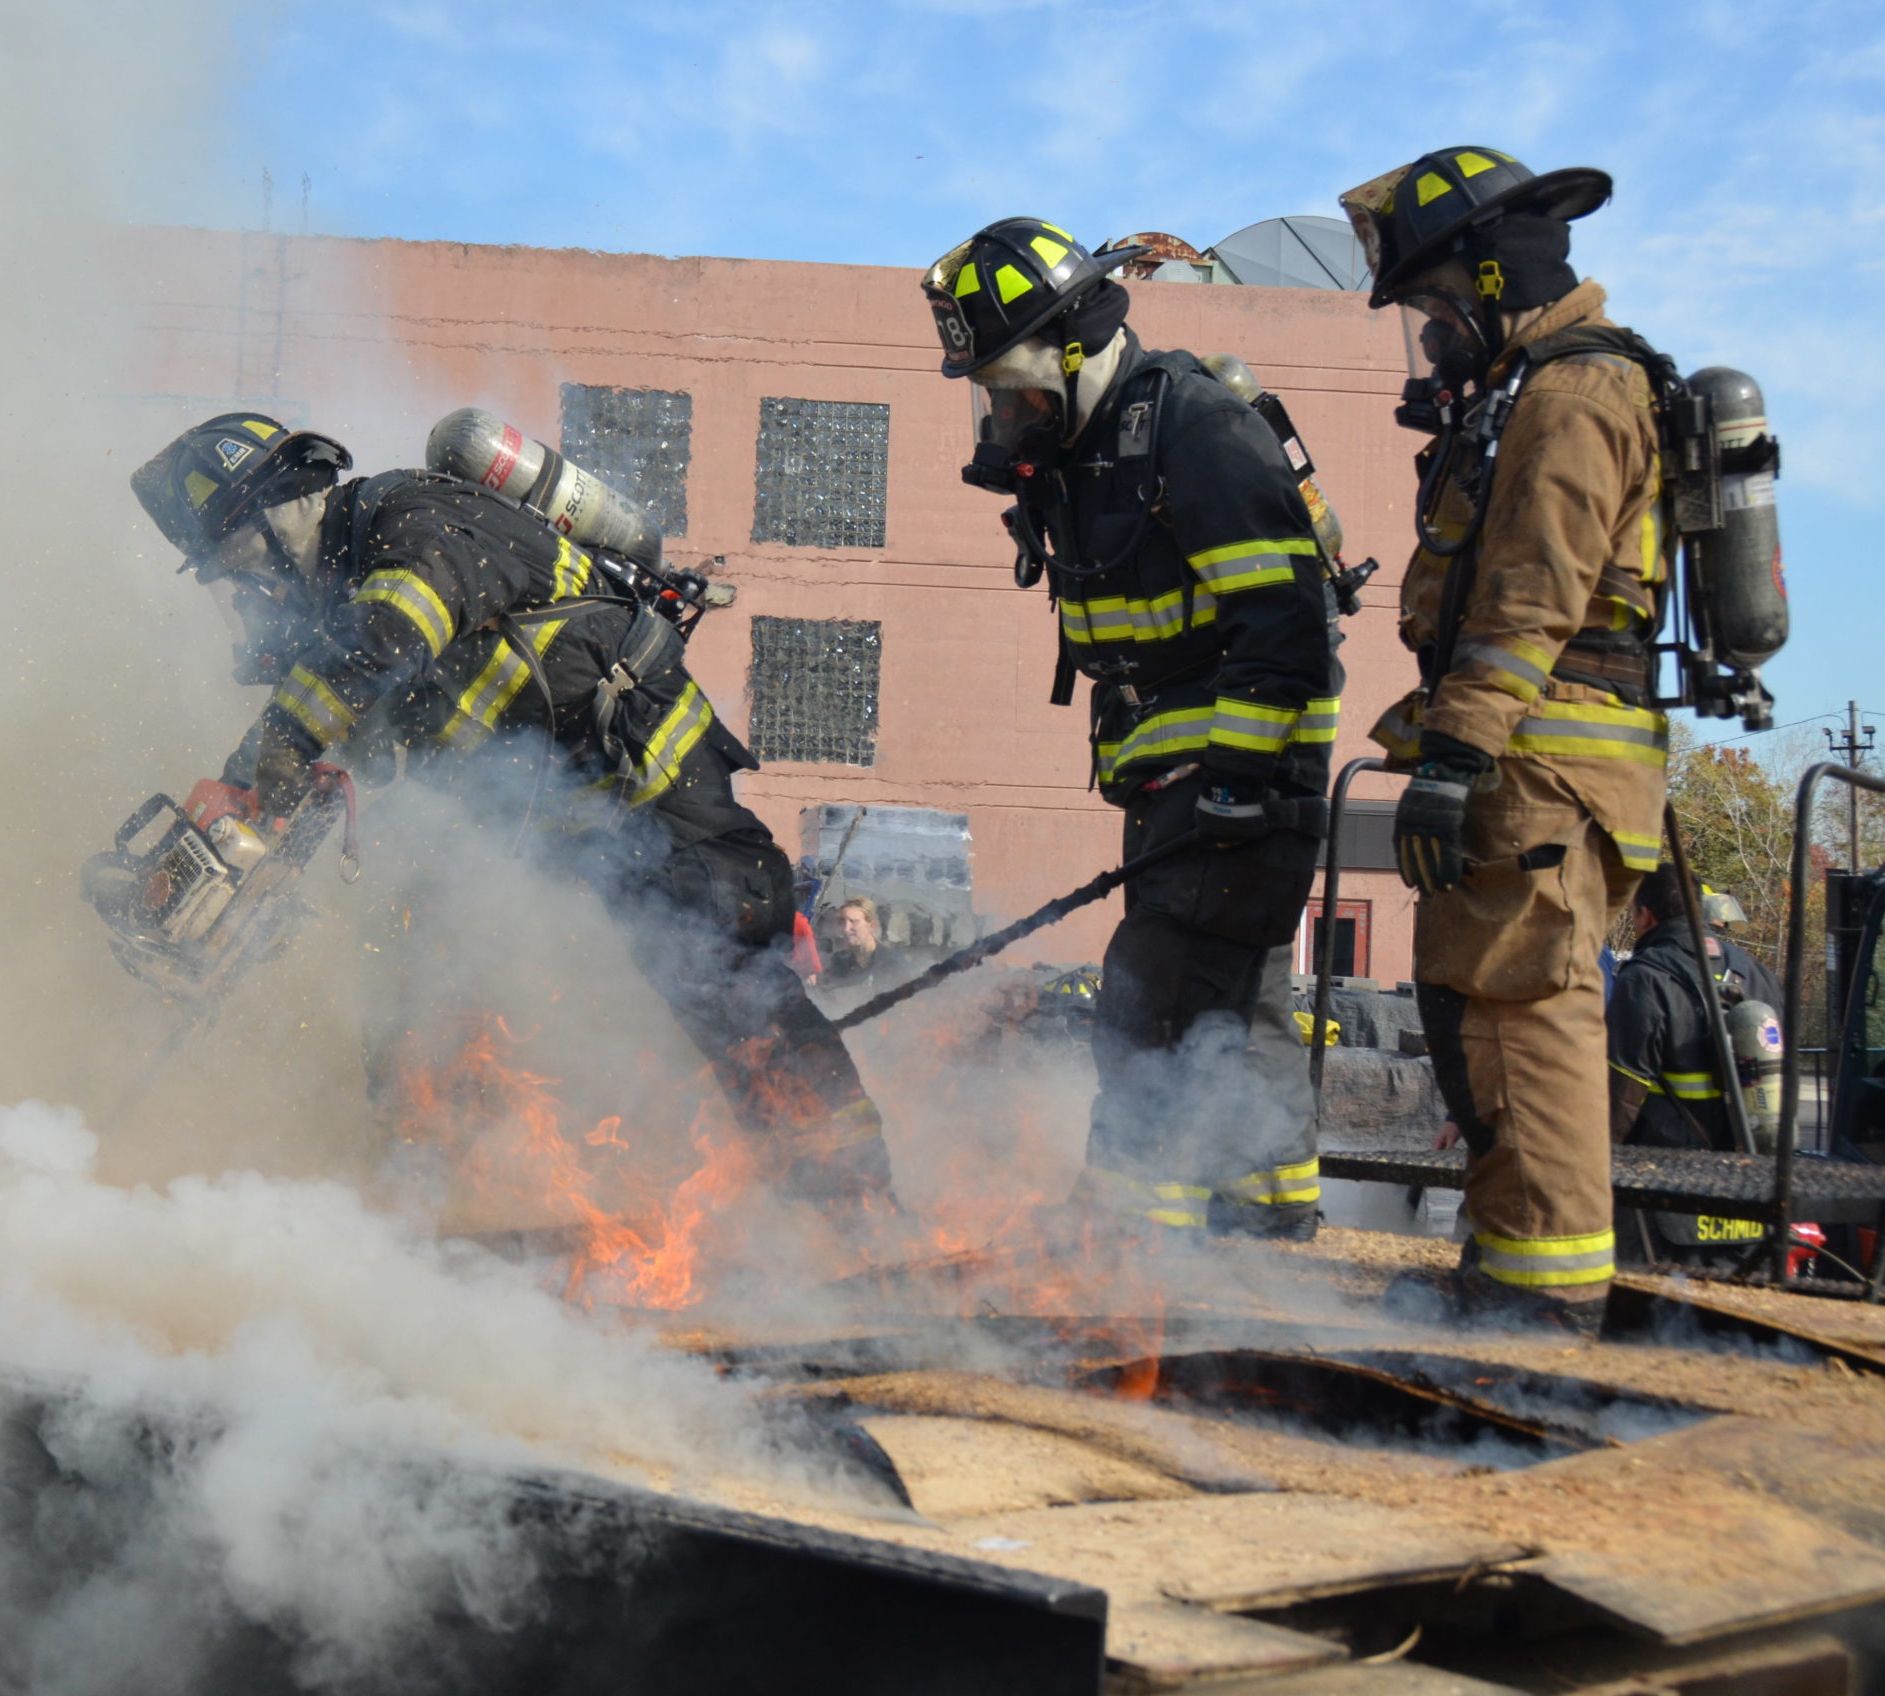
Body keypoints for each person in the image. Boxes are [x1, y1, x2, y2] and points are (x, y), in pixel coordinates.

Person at [127, 413, 894, 1209]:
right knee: (408, 982)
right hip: (561, 831)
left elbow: (392, 634)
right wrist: (260, 825)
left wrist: (280, 743)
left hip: (654, 783)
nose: (245, 590)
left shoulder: (410, 517)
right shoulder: (338, 609)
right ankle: (426, 1207)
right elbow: (365, 720)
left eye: (240, 561)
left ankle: (857, 1203)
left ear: (283, 511)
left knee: (730, 989)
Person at [920, 218, 1342, 1242]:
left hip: (1235, 781)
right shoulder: (1087, 450)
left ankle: (1118, 1253)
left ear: (1071, 348)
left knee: (1145, 1005)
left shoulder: (1193, 430)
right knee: (1235, 1013)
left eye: (1009, 380)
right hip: (1179, 784)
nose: (1003, 407)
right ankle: (1264, 1230)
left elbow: (1286, 626)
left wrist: (1237, 781)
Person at [1340, 147, 1672, 1333]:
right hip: (1518, 757)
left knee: (1524, 1011)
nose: (1430, 335)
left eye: (1434, 305)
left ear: (1492, 275)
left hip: (1542, 760)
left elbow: (1529, 595)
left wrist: (1457, 753)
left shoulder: (1575, 398)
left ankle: (1544, 1305)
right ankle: (1507, 1274)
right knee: (1473, 1006)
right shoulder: (1527, 389)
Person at [1609, 870, 1784, 1153]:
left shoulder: (1644, 977)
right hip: (1750, 1153)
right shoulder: (1753, 970)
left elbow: (1622, 1089)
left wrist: (1603, 1154)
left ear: (1645, 915)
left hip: (1667, 1159)